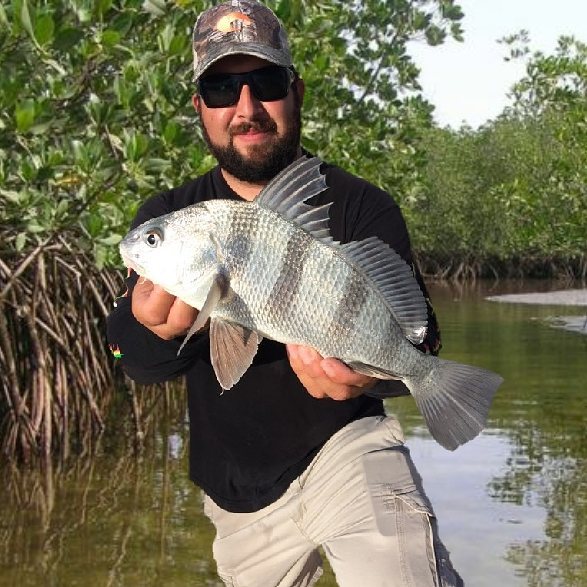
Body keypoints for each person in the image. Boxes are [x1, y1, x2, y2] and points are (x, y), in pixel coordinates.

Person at [107, 1, 463, 585]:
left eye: (264, 82)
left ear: (296, 90)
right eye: (221, 90)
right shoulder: (170, 217)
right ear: (200, 108)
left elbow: (422, 339)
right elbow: (126, 354)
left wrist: (373, 378)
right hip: (236, 493)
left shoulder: (360, 206)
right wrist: (152, 334)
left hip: (350, 449)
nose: (245, 108)